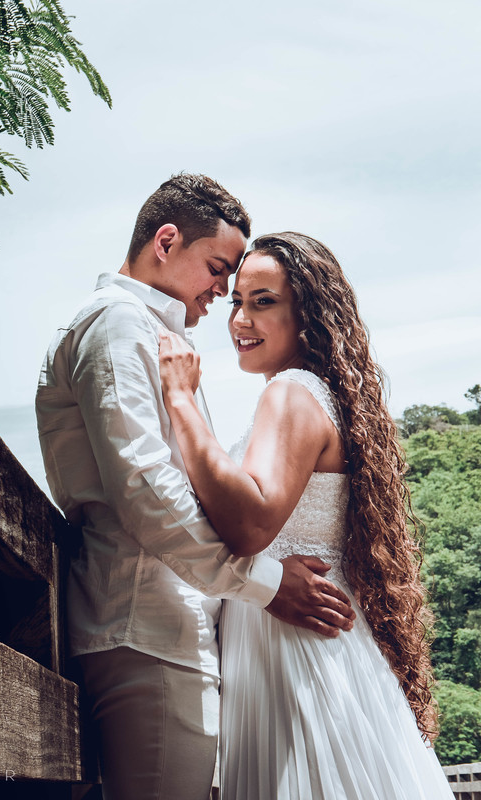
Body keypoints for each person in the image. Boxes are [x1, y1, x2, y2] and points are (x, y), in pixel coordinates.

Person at [35, 174, 355, 800]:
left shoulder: (154, 336)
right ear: (165, 239)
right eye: (218, 269)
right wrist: (265, 585)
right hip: (146, 628)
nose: (222, 293)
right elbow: (149, 494)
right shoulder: (119, 327)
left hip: (171, 628)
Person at [157, 231, 452, 799]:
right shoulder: (316, 395)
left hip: (296, 654)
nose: (240, 318)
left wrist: (180, 400)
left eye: (263, 301)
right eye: (237, 301)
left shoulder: (290, 394)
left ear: (308, 316)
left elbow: (250, 525)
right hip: (297, 642)